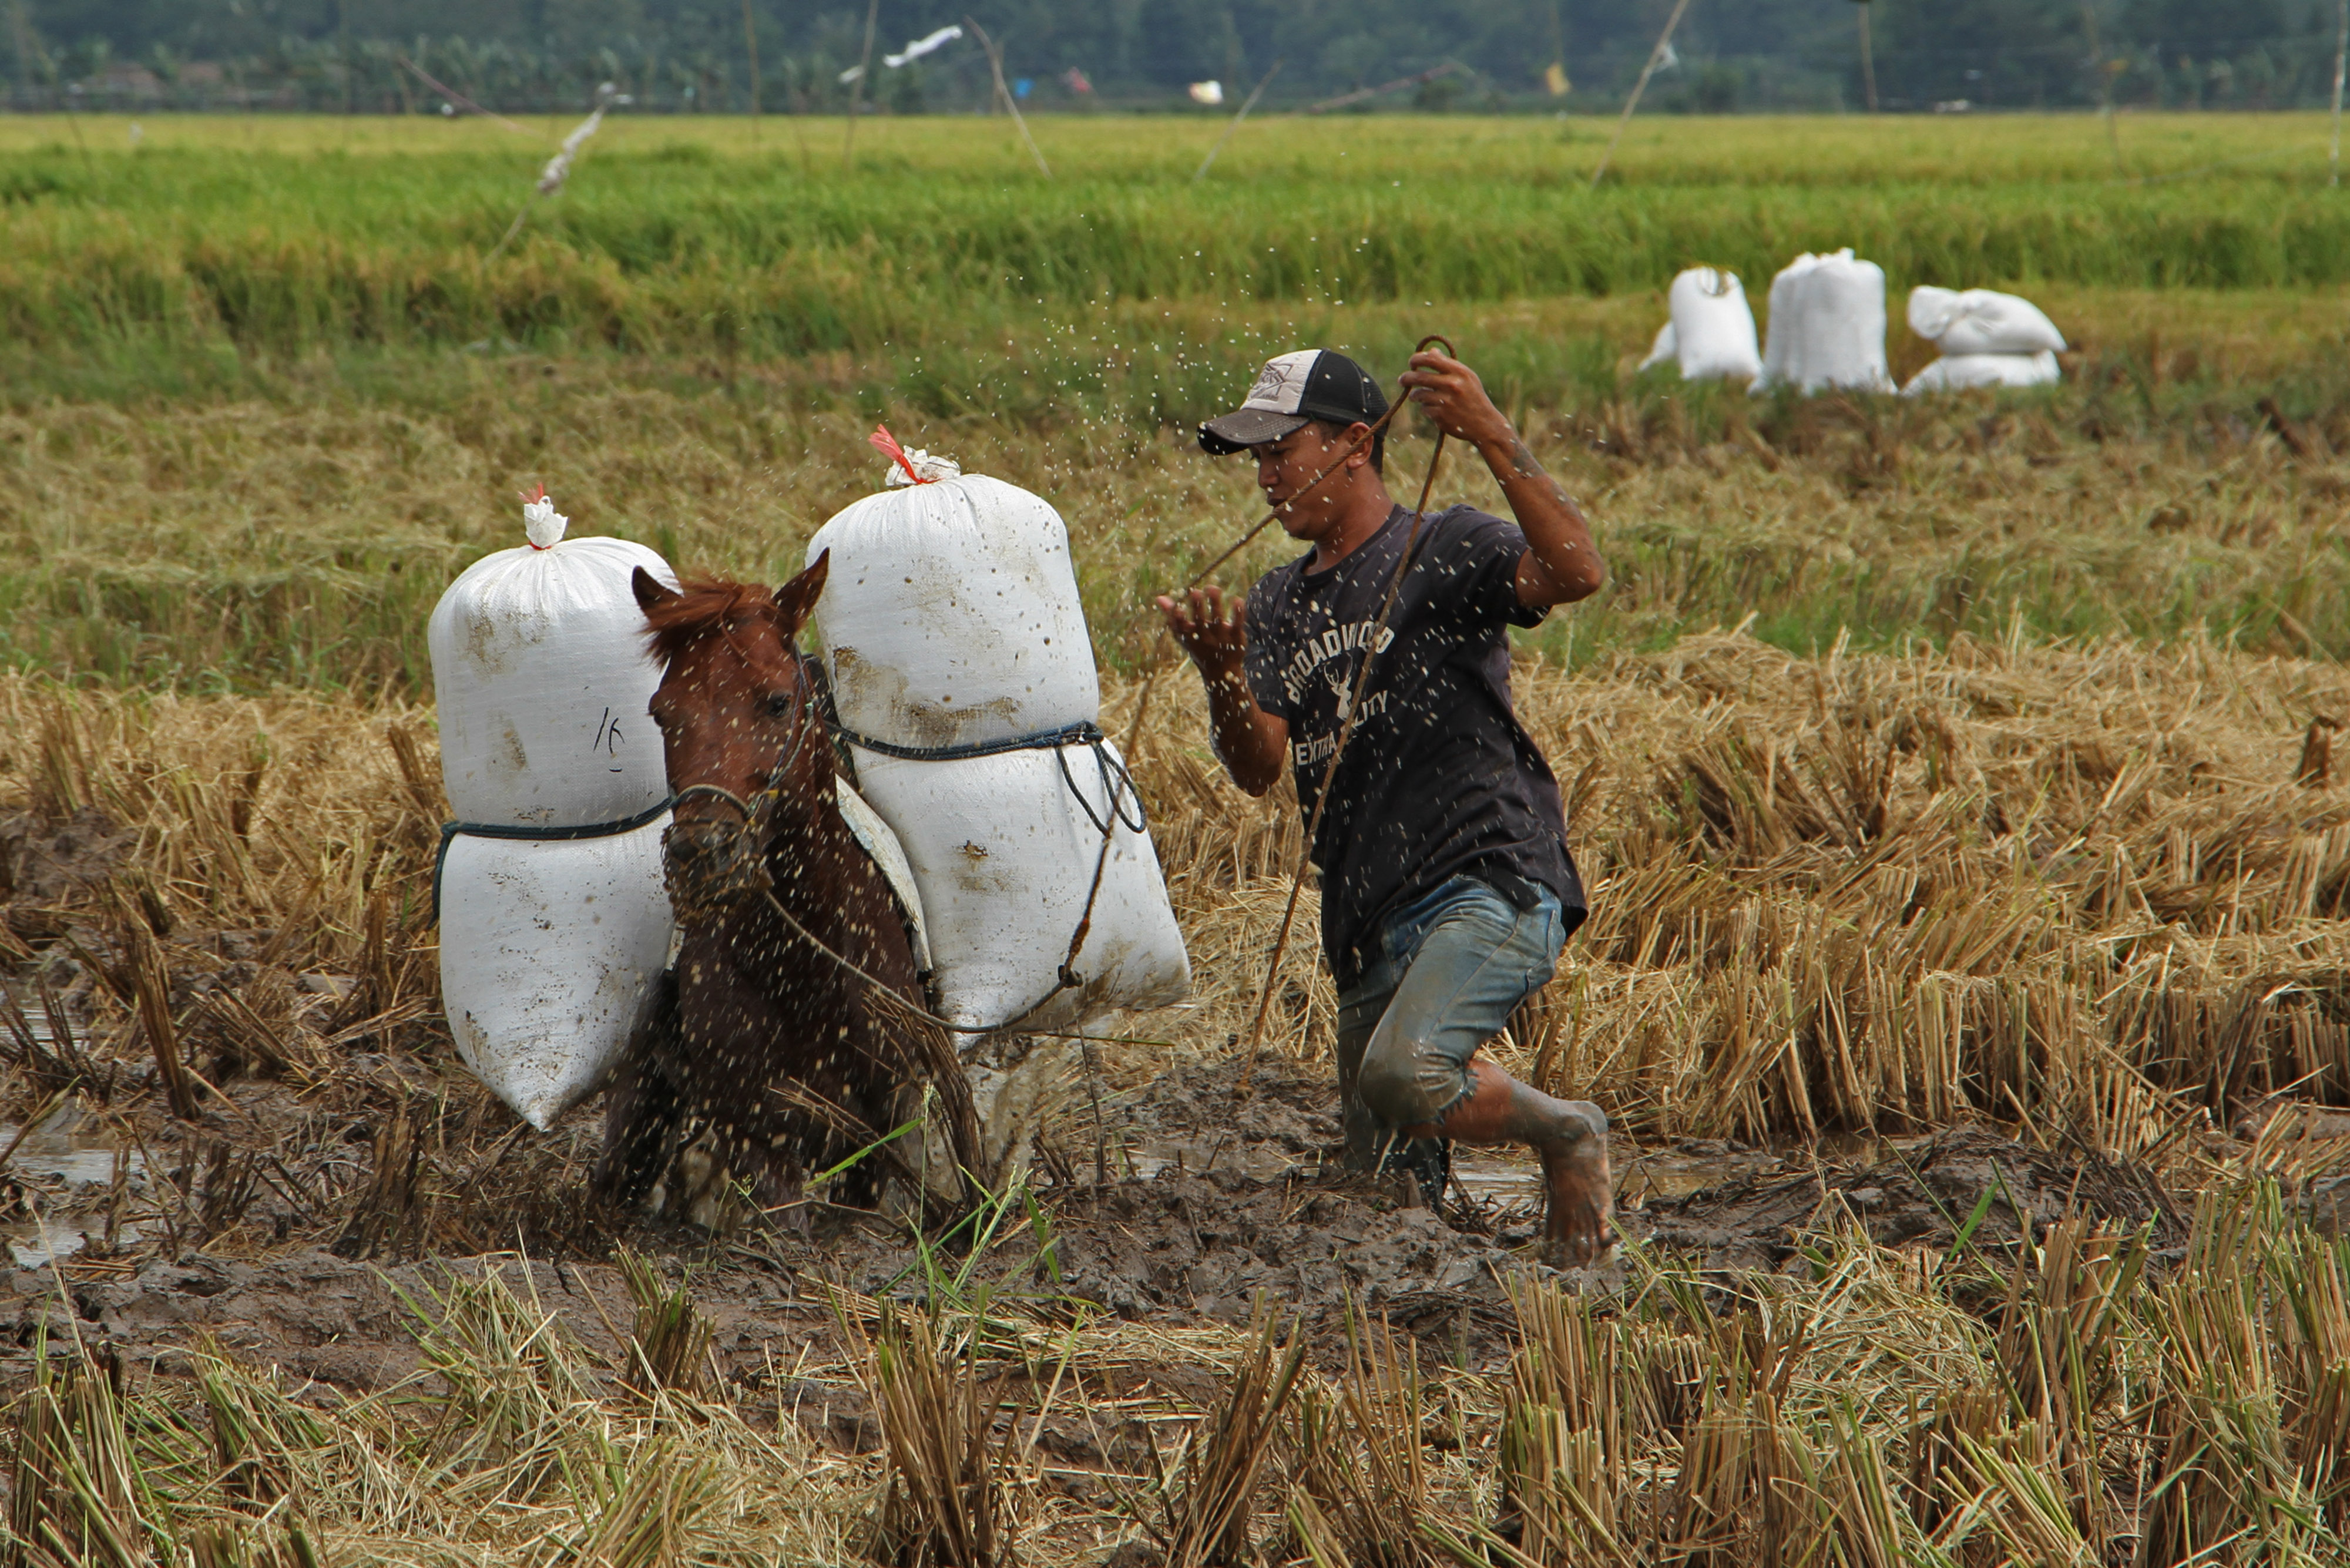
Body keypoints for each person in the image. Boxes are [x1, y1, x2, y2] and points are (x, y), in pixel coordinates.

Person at [1154, 345, 1613, 1267]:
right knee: (1385, 1204)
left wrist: (1490, 432)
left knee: (1405, 1071)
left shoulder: (1445, 549)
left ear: (1356, 444)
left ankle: (1569, 1134)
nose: (1267, 477)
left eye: (1282, 451)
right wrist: (1220, 675)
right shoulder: (1280, 598)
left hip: (1484, 877)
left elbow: (1576, 572)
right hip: (1367, 919)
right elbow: (1259, 764)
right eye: (1257, 458)